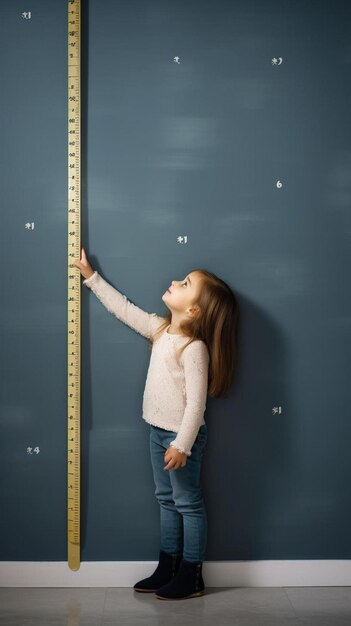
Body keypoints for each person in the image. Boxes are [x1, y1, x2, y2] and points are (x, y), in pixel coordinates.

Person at [74, 247, 240, 600]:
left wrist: (182, 445)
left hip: (181, 439)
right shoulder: (161, 331)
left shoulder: (194, 349)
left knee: (188, 503)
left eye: (185, 283)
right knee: (165, 499)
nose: (174, 282)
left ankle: (192, 574)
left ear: (193, 310)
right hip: (156, 432)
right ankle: (169, 564)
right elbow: (123, 309)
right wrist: (91, 278)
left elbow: (197, 404)